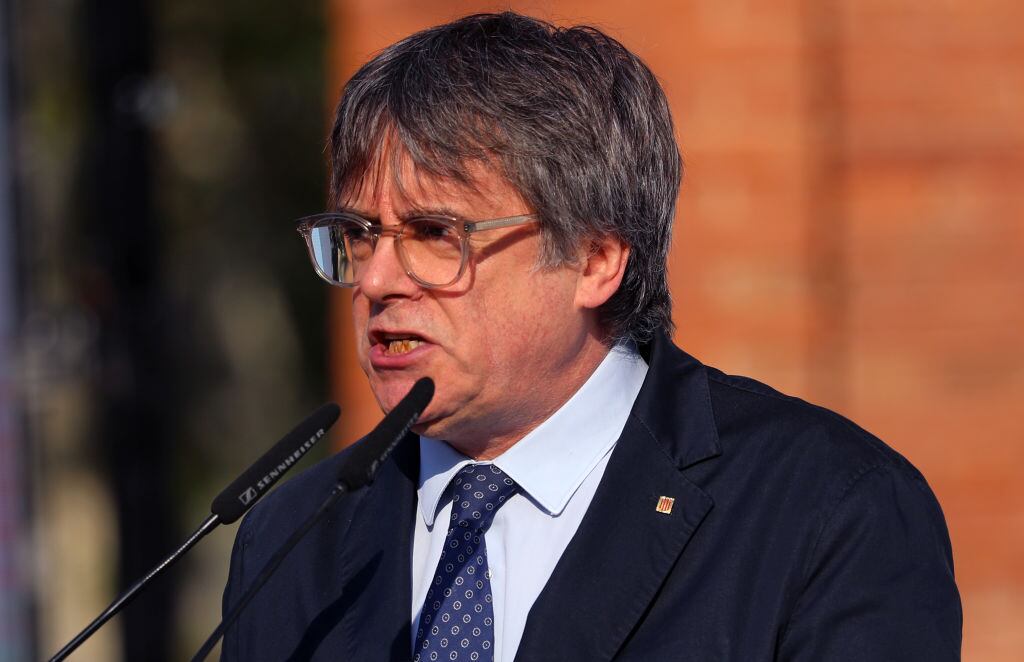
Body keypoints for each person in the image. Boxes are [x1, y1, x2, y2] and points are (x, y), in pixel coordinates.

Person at [221, 12, 961, 661]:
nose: (378, 279)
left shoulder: (828, 509)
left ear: (596, 259)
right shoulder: (293, 540)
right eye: (358, 234)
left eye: (433, 233)